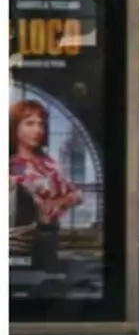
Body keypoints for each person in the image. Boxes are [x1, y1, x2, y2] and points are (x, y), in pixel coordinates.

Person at [10, 100, 81, 274]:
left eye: (40, 124)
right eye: (29, 124)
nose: (37, 130)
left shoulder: (48, 164)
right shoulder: (8, 164)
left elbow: (77, 194)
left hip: (48, 240)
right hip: (16, 244)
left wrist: (59, 203)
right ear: (15, 128)